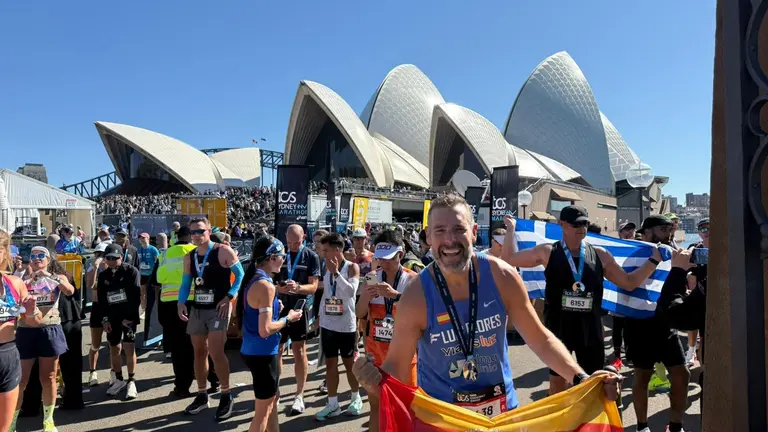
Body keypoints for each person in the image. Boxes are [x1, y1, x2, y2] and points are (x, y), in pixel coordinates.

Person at [353, 194, 620, 421]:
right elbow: (397, 366)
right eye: (440, 231)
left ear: (473, 232)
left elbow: (540, 338)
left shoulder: (501, 275)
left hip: (499, 416)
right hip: (444, 420)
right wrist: (372, 380)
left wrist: (581, 378)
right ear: (429, 239)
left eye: (458, 229)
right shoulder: (416, 295)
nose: (449, 240)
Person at [502, 206, 661, 396]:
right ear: (562, 224)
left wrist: (654, 261)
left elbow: (628, 283)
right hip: (559, 328)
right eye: (576, 224)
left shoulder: (600, 255)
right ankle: (559, 424)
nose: (581, 228)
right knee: (557, 383)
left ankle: (588, 424)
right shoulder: (548, 252)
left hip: (590, 329)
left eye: (585, 223)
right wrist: (511, 229)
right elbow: (510, 259)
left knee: (593, 382)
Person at [624, 215, 690, 432]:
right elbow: (627, 286)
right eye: (663, 229)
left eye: (670, 228)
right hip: (639, 325)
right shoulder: (633, 253)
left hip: (665, 324)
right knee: (642, 375)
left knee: (682, 374)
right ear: (648, 231)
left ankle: (675, 425)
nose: (669, 233)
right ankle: (642, 426)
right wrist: (653, 261)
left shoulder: (672, 253)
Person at [177, 217, 245, 420]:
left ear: (209, 231)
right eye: (193, 232)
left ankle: (226, 394)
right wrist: (181, 302)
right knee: (199, 352)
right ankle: (201, 394)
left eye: (200, 231)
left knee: (216, 352)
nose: (197, 235)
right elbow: (186, 282)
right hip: (198, 308)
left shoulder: (223, 250)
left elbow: (240, 275)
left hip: (218, 309)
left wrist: (229, 298)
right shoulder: (189, 256)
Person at [355, 230, 418, 431]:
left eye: (390, 258)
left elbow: (424, 314)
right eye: (381, 258)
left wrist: (397, 296)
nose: (385, 263)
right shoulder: (372, 277)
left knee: (407, 406)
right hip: (376, 353)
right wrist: (365, 297)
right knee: (376, 405)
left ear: (400, 255)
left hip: (405, 355)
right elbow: (359, 312)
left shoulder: (413, 279)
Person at [242, 236, 302, 432]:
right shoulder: (265, 285)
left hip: (256, 350)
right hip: (263, 352)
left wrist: (277, 307)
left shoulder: (258, 280)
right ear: (271, 258)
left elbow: (257, 312)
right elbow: (265, 329)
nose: (284, 259)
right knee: (263, 412)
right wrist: (288, 318)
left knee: (272, 402)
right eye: (282, 256)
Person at [14, 246, 74, 432]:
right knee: (20, 380)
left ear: (48, 259)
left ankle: (48, 420)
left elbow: (70, 291)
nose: (37, 258)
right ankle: (11, 421)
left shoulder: (58, 277)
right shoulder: (22, 278)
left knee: (48, 378)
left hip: (49, 329)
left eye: (41, 255)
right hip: (25, 330)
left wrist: (52, 277)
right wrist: (28, 279)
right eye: (33, 256)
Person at [155, 227, 219, 397]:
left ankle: (182, 386)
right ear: (191, 238)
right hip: (196, 302)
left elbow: (156, 280)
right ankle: (214, 381)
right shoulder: (198, 252)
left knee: (178, 348)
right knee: (203, 345)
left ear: (176, 237)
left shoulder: (165, 254)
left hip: (170, 304)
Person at [315, 233, 362, 420]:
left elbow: (351, 292)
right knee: (330, 365)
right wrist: (319, 316)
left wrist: (336, 273)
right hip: (328, 324)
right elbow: (327, 293)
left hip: (346, 326)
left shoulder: (352, 267)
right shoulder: (326, 268)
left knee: (349, 365)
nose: (323, 253)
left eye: (326, 250)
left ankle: (355, 397)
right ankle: (332, 404)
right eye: (322, 250)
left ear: (337, 249)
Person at [275, 224, 320, 415]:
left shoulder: (311, 256)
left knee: (298, 350)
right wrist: (279, 288)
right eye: (290, 242)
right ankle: (274, 392)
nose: (293, 246)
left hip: (299, 309)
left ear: (304, 239)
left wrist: (298, 287)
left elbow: (314, 286)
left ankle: (299, 395)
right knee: (276, 349)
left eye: (297, 242)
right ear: (285, 238)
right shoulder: (278, 254)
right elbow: (269, 280)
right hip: (280, 307)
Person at [98, 243, 141, 401]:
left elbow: (136, 296)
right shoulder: (103, 276)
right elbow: (102, 300)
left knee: (129, 348)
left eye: (115, 258)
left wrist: (129, 318)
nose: (111, 261)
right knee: (114, 348)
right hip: (112, 317)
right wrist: (105, 319)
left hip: (128, 318)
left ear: (121, 257)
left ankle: (131, 380)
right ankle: (119, 379)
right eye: (108, 258)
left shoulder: (131, 272)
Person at [0, 231, 33, 432]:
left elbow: (30, 319)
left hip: (8, 355)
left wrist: (30, 311)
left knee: (4, 427)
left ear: (4, 253)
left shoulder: (15, 283)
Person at [54, 257, 84, 410]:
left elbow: (68, 290)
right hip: (67, 319)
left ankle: (73, 400)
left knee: (70, 363)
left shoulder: (60, 276)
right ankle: (72, 398)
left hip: (67, 320)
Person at [684, 218, 709, 367]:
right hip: (700, 298)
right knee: (699, 332)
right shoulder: (695, 249)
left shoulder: (725, 246)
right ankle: (693, 353)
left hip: (718, 299)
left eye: (709, 228)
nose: (707, 232)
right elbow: (689, 272)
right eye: (703, 229)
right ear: (698, 232)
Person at [87, 243, 110, 387]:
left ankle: (114, 372)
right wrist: (95, 267)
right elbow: (90, 285)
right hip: (97, 307)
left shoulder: (112, 269)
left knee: (113, 343)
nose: (100, 257)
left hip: (110, 307)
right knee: (95, 343)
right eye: (98, 254)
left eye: (103, 255)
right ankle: (93, 372)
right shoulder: (92, 269)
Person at [137, 233, 160, 320]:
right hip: (142, 274)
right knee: (142, 293)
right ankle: (144, 311)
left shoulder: (153, 249)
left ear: (148, 239)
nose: (142, 240)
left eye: (144, 238)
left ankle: (155, 310)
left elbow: (158, 261)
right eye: (140, 238)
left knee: (153, 293)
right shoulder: (138, 250)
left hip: (151, 274)